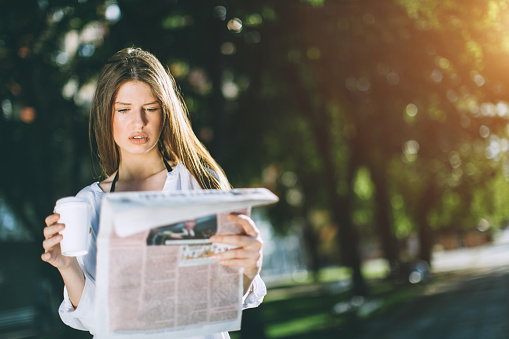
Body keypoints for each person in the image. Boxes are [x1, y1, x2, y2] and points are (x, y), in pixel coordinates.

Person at [41, 47, 266, 338]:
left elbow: (224, 298)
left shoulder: (199, 184)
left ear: (166, 112)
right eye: (124, 110)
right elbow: (100, 322)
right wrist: (67, 265)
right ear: (105, 115)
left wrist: (249, 268)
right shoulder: (88, 204)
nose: (139, 123)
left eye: (151, 108)